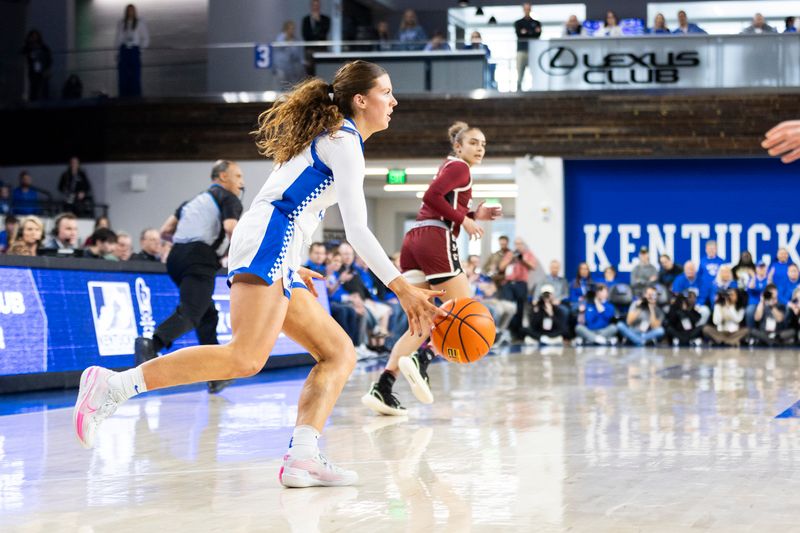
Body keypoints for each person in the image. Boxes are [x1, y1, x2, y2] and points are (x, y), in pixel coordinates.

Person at [74, 61, 443, 488]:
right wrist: (401, 288)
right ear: (361, 100)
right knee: (245, 358)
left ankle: (303, 457)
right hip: (272, 238)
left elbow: (286, 201)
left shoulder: (333, 138)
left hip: (277, 243)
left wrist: (291, 260)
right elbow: (355, 229)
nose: (394, 101)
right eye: (387, 92)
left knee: (339, 352)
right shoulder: (344, 141)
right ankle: (113, 387)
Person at [362, 120, 501, 416]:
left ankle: (384, 387)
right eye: (474, 142)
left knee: (424, 320)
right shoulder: (460, 167)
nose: (480, 148)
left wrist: (475, 213)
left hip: (416, 239)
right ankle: (423, 357)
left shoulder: (450, 167)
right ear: (458, 146)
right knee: (464, 308)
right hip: (435, 237)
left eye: (484, 144)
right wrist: (464, 220)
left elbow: (441, 202)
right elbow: (431, 197)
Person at [133, 160, 244, 393]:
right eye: (238, 176)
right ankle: (151, 343)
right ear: (223, 177)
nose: (241, 182)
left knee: (207, 315)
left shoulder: (192, 202)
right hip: (200, 258)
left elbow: (165, 231)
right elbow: (232, 229)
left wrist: (187, 247)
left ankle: (216, 374)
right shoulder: (229, 198)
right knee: (192, 312)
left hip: (176, 257)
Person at [500, 237, 537, 339]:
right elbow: (501, 267)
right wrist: (511, 259)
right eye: (516, 244)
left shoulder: (528, 254)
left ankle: (518, 333)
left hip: (521, 283)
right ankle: (508, 331)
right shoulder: (509, 254)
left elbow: (533, 266)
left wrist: (522, 260)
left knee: (520, 308)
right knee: (508, 307)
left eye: (520, 244)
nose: (518, 246)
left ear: (523, 245)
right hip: (509, 283)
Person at [115, 4, 149, 97]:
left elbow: (146, 39)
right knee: (123, 77)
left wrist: (139, 50)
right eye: (128, 10)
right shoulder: (121, 23)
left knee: (135, 77)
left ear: (135, 11)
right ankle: (123, 98)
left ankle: (135, 99)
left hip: (134, 50)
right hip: (124, 51)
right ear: (126, 12)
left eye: (132, 10)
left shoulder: (140, 23)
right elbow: (118, 39)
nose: (130, 12)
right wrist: (117, 53)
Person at [514, 3, 541, 91]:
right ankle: (519, 89)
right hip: (522, 50)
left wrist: (526, 32)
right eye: (525, 9)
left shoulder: (536, 22)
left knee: (535, 71)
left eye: (528, 9)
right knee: (520, 72)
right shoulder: (518, 23)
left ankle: (536, 88)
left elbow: (537, 35)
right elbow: (520, 34)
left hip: (533, 51)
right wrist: (532, 32)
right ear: (523, 10)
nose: (527, 10)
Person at [302, 0, 331, 76]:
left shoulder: (325, 19)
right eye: (314, 5)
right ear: (311, 6)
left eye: (317, 5)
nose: (316, 7)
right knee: (309, 58)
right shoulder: (306, 20)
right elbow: (305, 35)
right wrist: (315, 36)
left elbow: (324, 33)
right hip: (309, 49)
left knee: (320, 68)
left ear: (319, 6)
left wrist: (317, 22)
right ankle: (311, 80)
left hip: (321, 48)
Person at [22, 29, 52, 102]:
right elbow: (23, 53)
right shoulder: (28, 47)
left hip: (42, 70)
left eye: (35, 36)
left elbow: (49, 57)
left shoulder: (43, 47)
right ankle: (33, 100)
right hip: (32, 70)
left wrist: (47, 68)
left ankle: (43, 100)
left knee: (43, 86)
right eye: (33, 36)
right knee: (34, 86)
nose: (34, 38)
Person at [273, 21, 305, 89]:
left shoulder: (296, 40)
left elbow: (297, 54)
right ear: (286, 29)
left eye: (293, 29)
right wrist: (287, 41)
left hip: (291, 69)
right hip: (280, 68)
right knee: (280, 87)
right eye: (291, 29)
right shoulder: (280, 38)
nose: (292, 31)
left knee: (291, 87)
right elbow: (279, 47)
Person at [745, 262, 770, 328]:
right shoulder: (752, 279)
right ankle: (751, 333)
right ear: (756, 269)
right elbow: (749, 289)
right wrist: (753, 277)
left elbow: (769, 291)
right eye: (760, 267)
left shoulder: (768, 279)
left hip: (765, 302)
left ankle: (763, 333)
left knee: (767, 311)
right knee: (749, 311)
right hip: (753, 302)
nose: (761, 269)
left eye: (763, 267)